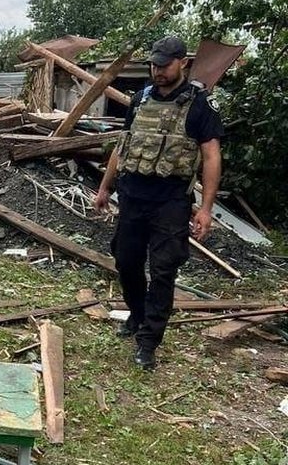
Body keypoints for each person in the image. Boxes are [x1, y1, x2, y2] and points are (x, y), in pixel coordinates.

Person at [94, 36, 223, 370]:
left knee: (163, 271)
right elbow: (122, 148)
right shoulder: (140, 99)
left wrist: (206, 208)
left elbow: (210, 156)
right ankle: (137, 316)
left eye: (164, 65)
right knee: (126, 262)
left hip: (170, 203)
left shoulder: (198, 106)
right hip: (133, 198)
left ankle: (149, 341)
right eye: (154, 64)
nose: (158, 71)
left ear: (183, 63)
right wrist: (104, 188)